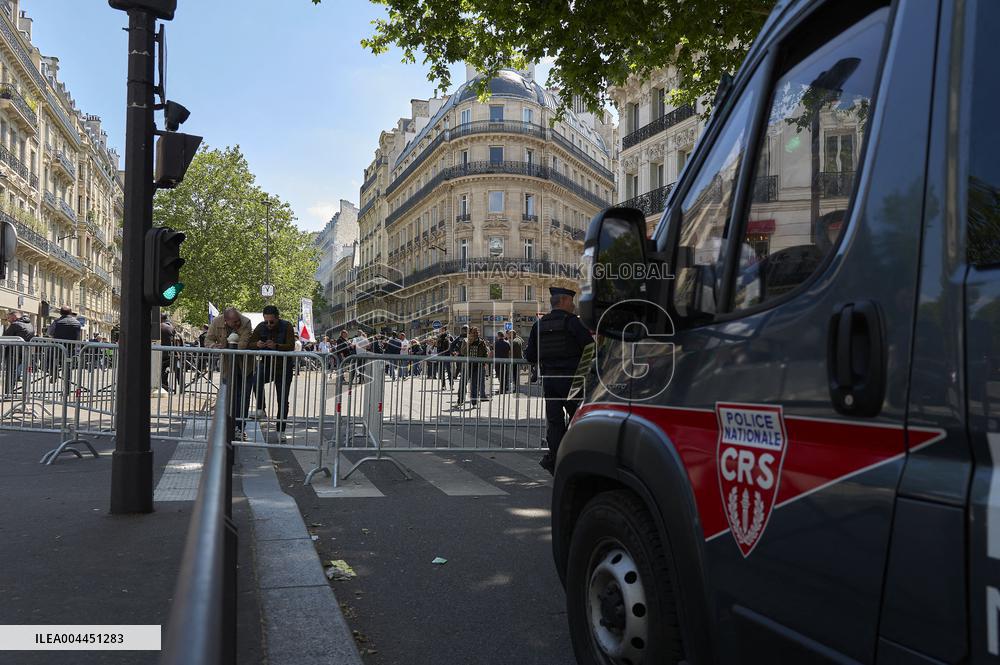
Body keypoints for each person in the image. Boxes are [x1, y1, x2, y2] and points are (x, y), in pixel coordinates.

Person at [524, 287, 593, 474]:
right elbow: (590, 349)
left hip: (550, 381)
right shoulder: (573, 323)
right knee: (576, 419)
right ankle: (576, 458)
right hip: (573, 379)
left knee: (554, 423)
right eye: (571, 301)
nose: (573, 305)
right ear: (563, 301)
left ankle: (555, 460)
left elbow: (530, 356)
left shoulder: (539, 324)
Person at [205, 307, 254, 438]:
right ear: (226, 321)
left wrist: (226, 345)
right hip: (228, 367)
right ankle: (227, 426)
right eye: (235, 322)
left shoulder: (246, 322)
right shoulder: (216, 322)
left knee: (243, 398)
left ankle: (239, 427)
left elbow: (242, 345)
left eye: (238, 320)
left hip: (245, 367)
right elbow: (208, 340)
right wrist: (213, 346)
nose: (238, 323)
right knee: (227, 397)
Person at [250, 305, 296, 441]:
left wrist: (276, 346)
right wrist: (256, 344)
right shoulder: (261, 326)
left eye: (272, 322)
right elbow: (250, 343)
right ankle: (261, 408)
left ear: (278, 318)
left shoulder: (287, 326)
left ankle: (280, 430)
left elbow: (291, 345)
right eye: (266, 321)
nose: (269, 324)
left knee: (282, 400)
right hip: (267, 364)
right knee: (256, 378)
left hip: (284, 368)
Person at [3, 310, 34, 392]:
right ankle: (24, 395)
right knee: (23, 373)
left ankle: (8, 392)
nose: (8, 320)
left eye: (9, 318)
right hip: (25, 352)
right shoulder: (29, 324)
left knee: (11, 373)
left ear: (14, 317)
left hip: (14, 352)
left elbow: (5, 337)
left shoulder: (15, 325)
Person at [460, 326, 490, 405]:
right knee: (463, 383)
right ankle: (460, 399)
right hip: (467, 365)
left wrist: (484, 362)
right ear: (469, 333)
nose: (476, 334)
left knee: (474, 384)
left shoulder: (481, 342)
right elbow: (463, 352)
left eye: (477, 332)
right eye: (474, 332)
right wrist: (469, 344)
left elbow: (485, 353)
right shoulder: (465, 341)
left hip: (477, 366)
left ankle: (474, 402)